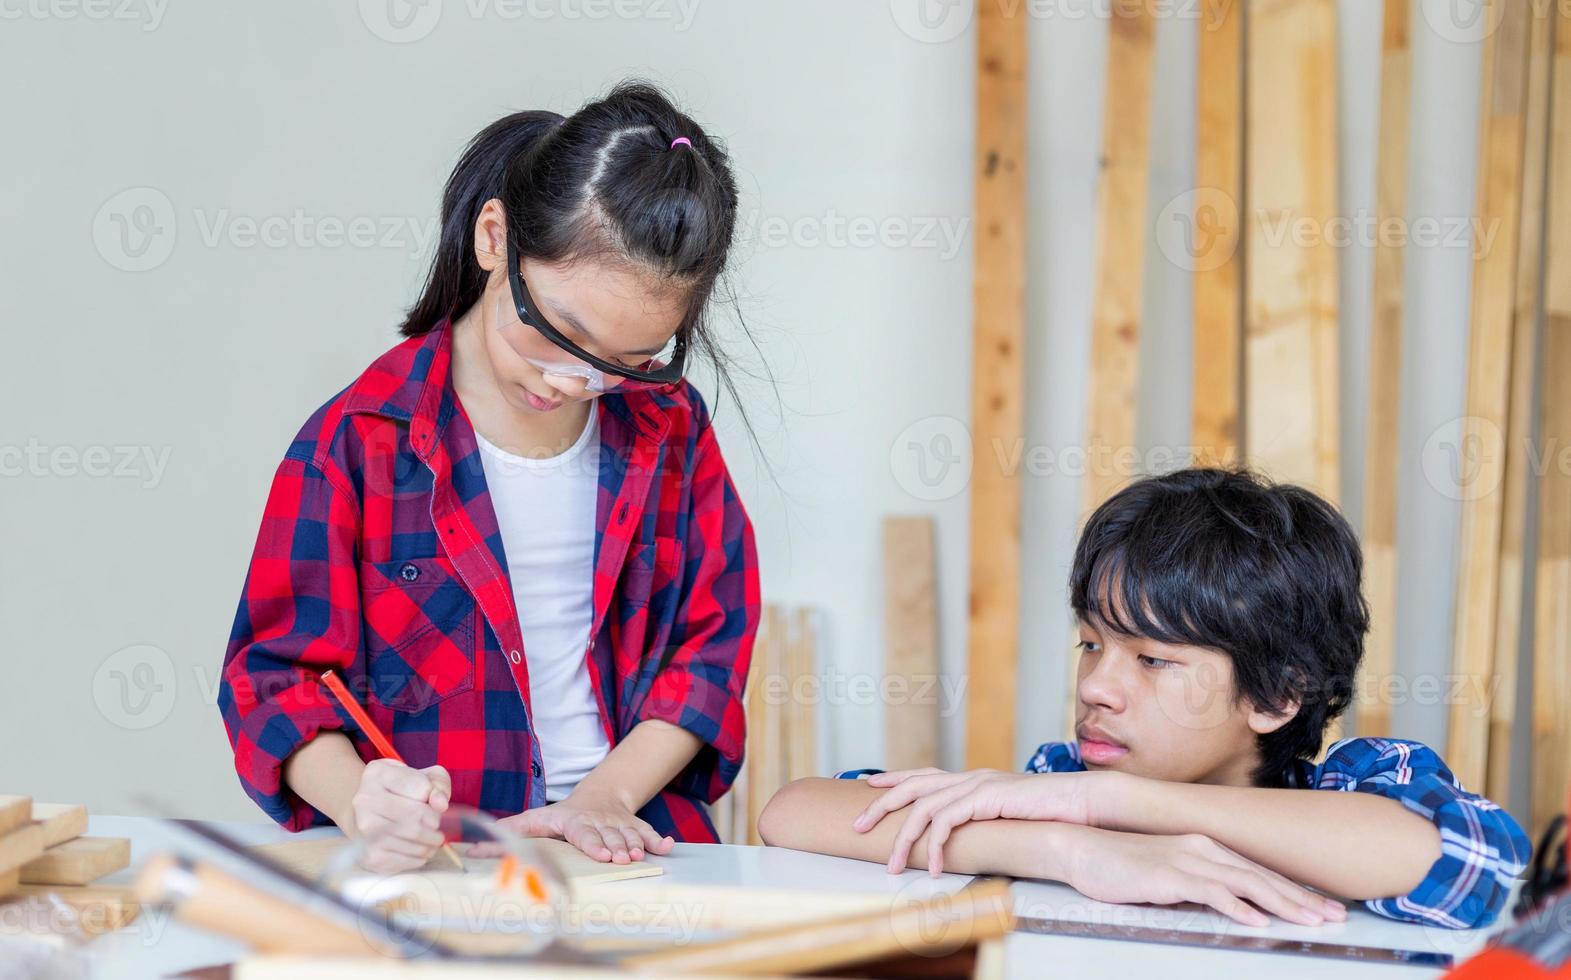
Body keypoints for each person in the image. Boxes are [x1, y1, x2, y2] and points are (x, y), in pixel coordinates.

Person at [219, 81, 759, 874]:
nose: (575, 382)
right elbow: (274, 682)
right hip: (438, 868)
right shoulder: (361, 441)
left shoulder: (670, 430)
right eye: (557, 334)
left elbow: (709, 654)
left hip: (629, 847)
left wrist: (601, 798)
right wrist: (359, 798)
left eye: (629, 363)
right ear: (494, 238)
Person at [761, 468, 1529, 929]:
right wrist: (1070, 848)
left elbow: (1468, 861)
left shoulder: (1354, 787)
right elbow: (793, 812)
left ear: (1276, 695)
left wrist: (1115, 806)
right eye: (1090, 643)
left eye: (1153, 660)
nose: (1096, 686)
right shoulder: (1058, 785)